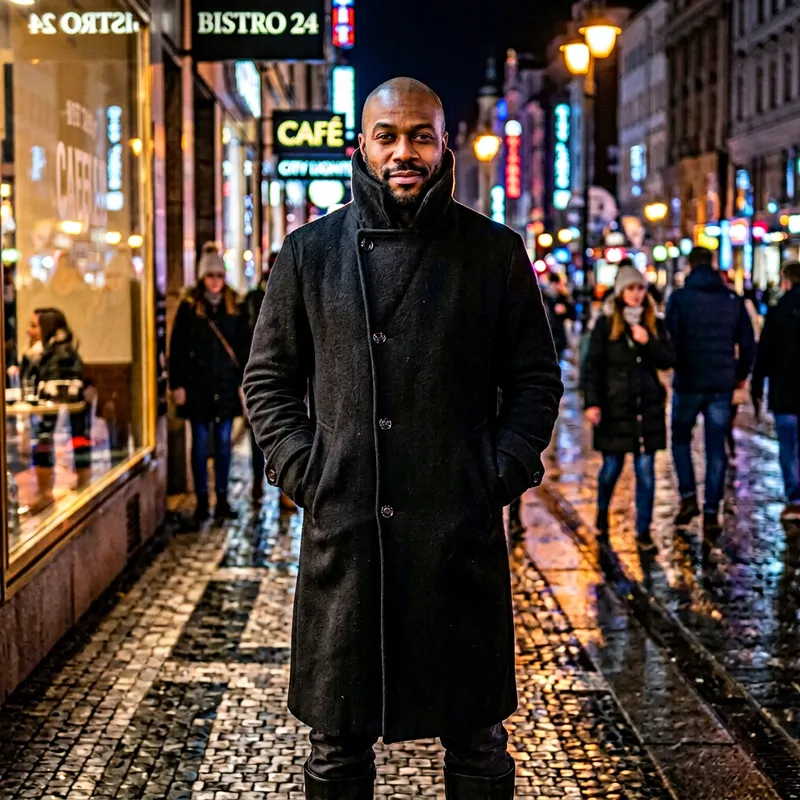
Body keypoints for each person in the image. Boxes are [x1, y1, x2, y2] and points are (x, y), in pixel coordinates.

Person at [243, 78, 563, 800]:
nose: (404, 152)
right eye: (387, 135)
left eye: (420, 135)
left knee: (478, 745)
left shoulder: (493, 252)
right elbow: (267, 381)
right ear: (363, 145)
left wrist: (496, 472)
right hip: (348, 539)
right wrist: (307, 470)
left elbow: (536, 380)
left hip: (458, 536)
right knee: (336, 749)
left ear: (443, 144)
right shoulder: (309, 253)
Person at [666, 247, 756, 534]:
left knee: (680, 439)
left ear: (690, 266)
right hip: (721, 384)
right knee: (716, 447)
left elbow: (671, 341)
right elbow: (749, 343)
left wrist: (677, 364)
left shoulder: (679, 298)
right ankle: (710, 509)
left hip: (689, 381)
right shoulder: (732, 299)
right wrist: (739, 375)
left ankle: (689, 496)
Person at [584, 267, 675, 548]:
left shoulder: (655, 323)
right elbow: (593, 365)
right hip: (616, 408)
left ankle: (644, 529)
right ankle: (601, 514)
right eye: (631, 289)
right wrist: (592, 402)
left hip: (646, 408)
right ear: (621, 292)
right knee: (611, 467)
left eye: (640, 289)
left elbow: (667, 359)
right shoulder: (606, 323)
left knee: (646, 471)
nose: (636, 294)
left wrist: (648, 343)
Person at [169, 251, 248, 524]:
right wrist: (177, 384)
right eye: (211, 276)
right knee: (200, 445)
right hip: (197, 386)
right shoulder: (190, 307)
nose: (215, 281)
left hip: (225, 385)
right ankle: (203, 499)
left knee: (224, 445)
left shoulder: (234, 306)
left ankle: (223, 497)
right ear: (202, 278)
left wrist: (243, 382)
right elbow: (177, 347)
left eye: (220, 276)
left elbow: (243, 347)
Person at [26, 308, 91, 513]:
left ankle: (47, 493)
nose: (29, 331)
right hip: (68, 413)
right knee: (73, 438)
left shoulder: (56, 353)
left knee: (45, 440)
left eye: (34, 325)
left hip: (57, 410)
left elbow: (54, 390)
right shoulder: (53, 350)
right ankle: (78, 487)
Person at [752, 261, 800, 521]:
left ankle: (795, 499)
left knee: (788, 446)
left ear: (786, 281)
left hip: (784, 390)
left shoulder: (778, 311)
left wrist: (757, 385)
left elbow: (765, 352)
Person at [543, 272, 576, 361]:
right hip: (547, 338)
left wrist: (565, 310)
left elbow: (573, 315)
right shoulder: (544, 297)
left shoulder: (563, 298)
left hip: (559, 337)